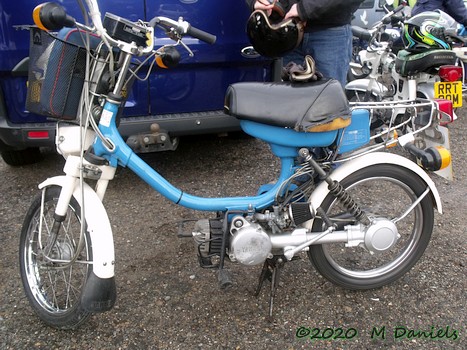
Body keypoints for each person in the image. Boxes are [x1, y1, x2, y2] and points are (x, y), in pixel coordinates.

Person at [245, 0, 364, 86]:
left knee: (327, 107)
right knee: (289, 110)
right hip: (284, 32)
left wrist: (303, 9)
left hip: (329, 32)